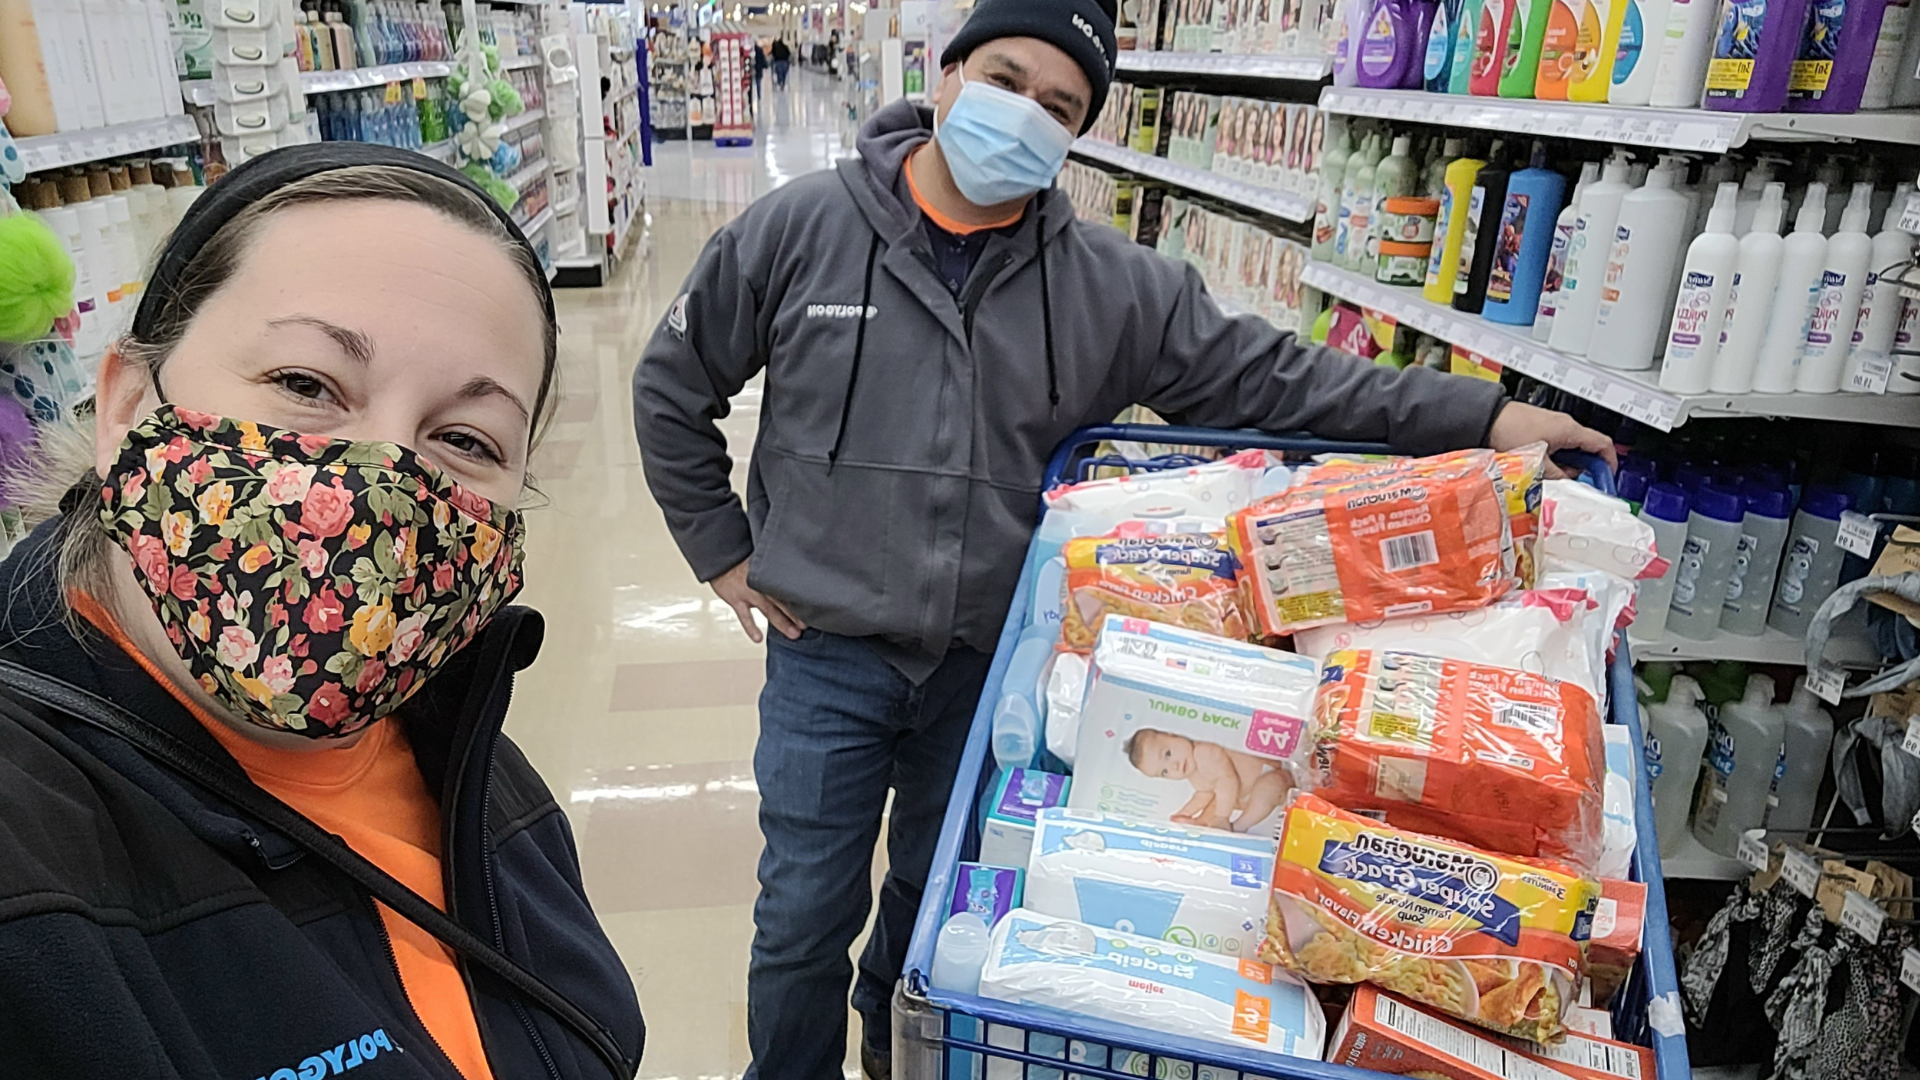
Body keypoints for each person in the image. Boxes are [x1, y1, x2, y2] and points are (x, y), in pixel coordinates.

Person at [630, 0, 1614, 1074]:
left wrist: (1484, 418)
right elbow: (672, 384)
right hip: (827, 654)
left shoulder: (1109, 287)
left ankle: (892, 1053)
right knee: (802, 914)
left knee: (931, 894)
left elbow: (1284, 380)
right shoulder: (800, 229)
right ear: (947, 75)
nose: (1024, 115)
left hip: (987, 666)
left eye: (1059, 107)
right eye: (1005, 81)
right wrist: (722, 551)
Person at [0, 143, 646, 1080]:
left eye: (466, 439)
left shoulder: (467, 755)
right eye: (306, 385)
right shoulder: (30, 885)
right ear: (128, 405)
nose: (381, 484)